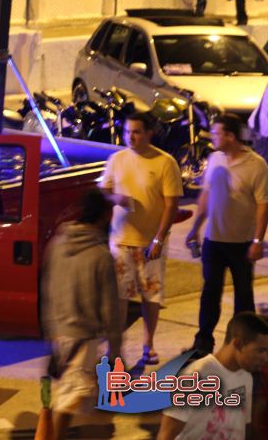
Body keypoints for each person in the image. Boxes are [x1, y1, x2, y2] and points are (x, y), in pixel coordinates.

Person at [100, 112, 183, 366]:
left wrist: (159, 239)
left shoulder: (165, 162)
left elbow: (171, 205)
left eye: (136, 132)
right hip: (121, 239)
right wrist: (117, 199)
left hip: (150, 242)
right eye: (127, 132)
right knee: (120, 295)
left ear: (149, 133)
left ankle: (149, 344)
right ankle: (115, 347)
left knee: (151, 296)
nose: (130, 137)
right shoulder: (117, 160)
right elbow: (104, 190)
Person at [186, 113, 268, 355]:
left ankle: (242, 344)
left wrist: (257, 241)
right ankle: (203, 342)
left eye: (216, 133)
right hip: (214, 240)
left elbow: (263, 204)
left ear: (230, 136)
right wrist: (195, 228)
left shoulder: (256, 165)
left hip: (241, 243)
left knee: (243, 295)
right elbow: (206, 196)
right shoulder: (215, 160)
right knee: (210, 292)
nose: (212, 137)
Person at [42, 188, 120, 439]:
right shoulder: (101, 256)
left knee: (72, 403)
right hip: (83, 341)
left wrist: (49, 330)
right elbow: (110, 310)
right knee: (77, 407)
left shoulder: (57, 244)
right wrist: (116, 350)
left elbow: (48, 289)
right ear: (105, 215)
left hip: (58, 336)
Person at [157, 312, 268, 440]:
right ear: (238, 344)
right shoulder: (196, 376)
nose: (265, 358)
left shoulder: (246, 377)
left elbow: (244, 427)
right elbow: (166, 435)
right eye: (261, 351)